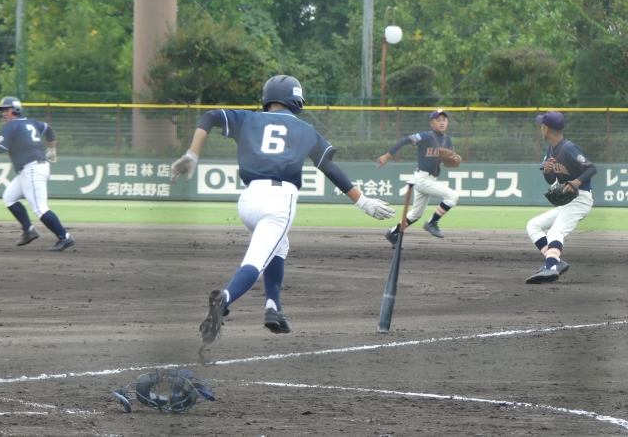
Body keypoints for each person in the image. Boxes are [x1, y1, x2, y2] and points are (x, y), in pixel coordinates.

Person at [169, 75, 396, 344]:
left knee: (280, 245)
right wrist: (363, 201)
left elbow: (211, 116)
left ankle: (273, 308)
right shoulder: (305, 129)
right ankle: (225, 298)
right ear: (296, 99)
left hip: (248, 200)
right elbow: (328, 167)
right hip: (278, 201)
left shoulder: (248, 118)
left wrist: (192, 154)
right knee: (256, 261)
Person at [0, 96, 75, 252]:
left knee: (40, 208)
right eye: (2, 110)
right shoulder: (31, 123)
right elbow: (48, 129)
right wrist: (52, 150)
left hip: (32, 169)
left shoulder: (11, 125)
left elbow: (0, 148)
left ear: (16, 110)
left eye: (7, 109)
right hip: (30, 169)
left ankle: (65, 237)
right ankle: (29, 231)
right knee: (9, 197)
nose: (3, 113)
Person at [525, 111, 596, 284]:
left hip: (581, 199)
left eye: (542, 126)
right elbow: (551, 180)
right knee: (533, 225)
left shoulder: (568, 148)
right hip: (569, 201)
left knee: (555, 231)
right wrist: (547, 172)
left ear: (546, 129)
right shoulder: (551, 149)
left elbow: (591, 168)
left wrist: (576, 182)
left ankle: (550, 268)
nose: (541, 128)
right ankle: (555, 261)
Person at [376, 109, 461, 244]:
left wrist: (454, 159)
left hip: (431, 179)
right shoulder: (426, 136)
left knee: (415, 214)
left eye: (444, 120)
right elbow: (405, 140)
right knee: (452, 196)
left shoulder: (447, 140)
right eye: (438, 120)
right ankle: (432, 222)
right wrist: (387, 156)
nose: (441, 122)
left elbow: (450, 160)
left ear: (447, 122)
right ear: (431, 123)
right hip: (423, 179)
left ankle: (392, 233)